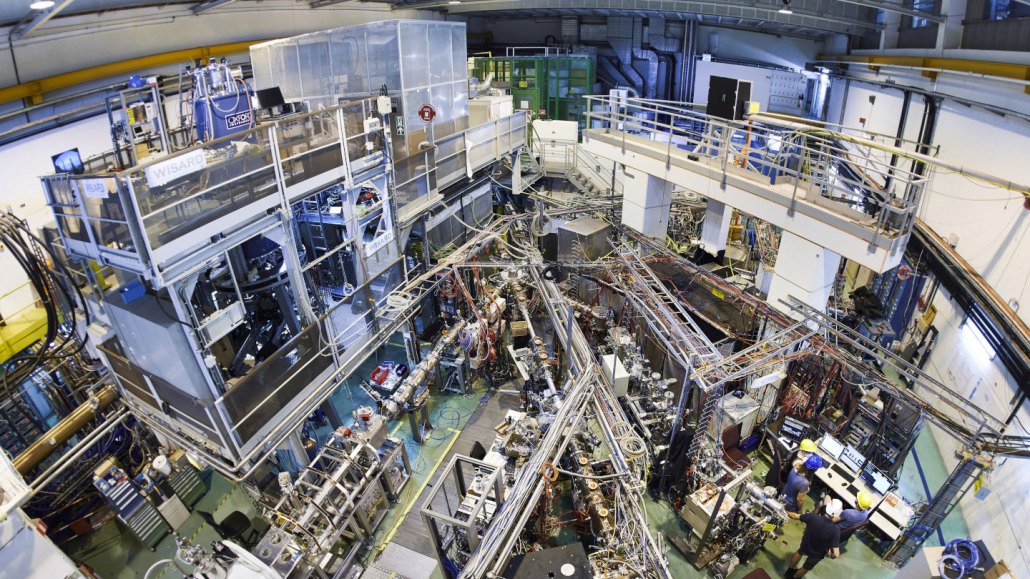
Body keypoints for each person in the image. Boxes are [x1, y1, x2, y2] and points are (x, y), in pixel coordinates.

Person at [785, 498, 843, 578]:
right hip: (817, 554)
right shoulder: (835, 531)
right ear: (838, 514)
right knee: (806, 567)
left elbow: (794, 516)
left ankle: (789, 571)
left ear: (827, 508)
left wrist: (783, 510)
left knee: (800, 552)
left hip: (806, 545)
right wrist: (831, 555)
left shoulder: (813, 517)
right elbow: (836, 554)